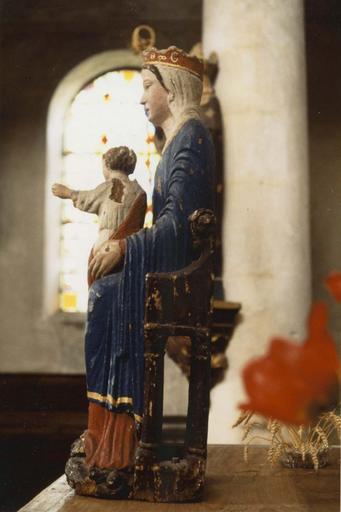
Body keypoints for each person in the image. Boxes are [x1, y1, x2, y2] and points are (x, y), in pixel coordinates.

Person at [82, 46, 215, 472]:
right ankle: (107, 438)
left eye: (146, 86)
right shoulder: (179, 137)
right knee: (103, 290)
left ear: (171, 89)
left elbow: (178, 229)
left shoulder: (191, 137)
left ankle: (118, 440)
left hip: (179, 275)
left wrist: (123, 248)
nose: (141, 98)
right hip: (165, 266)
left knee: (104, 296)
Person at [52, 146, 146, 286]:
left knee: (103, 289)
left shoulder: (110, 187)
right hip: (128, 253)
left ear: (107, 165)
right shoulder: (139, 191)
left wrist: (68, 193)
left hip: (108, 249)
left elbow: (88, 199)